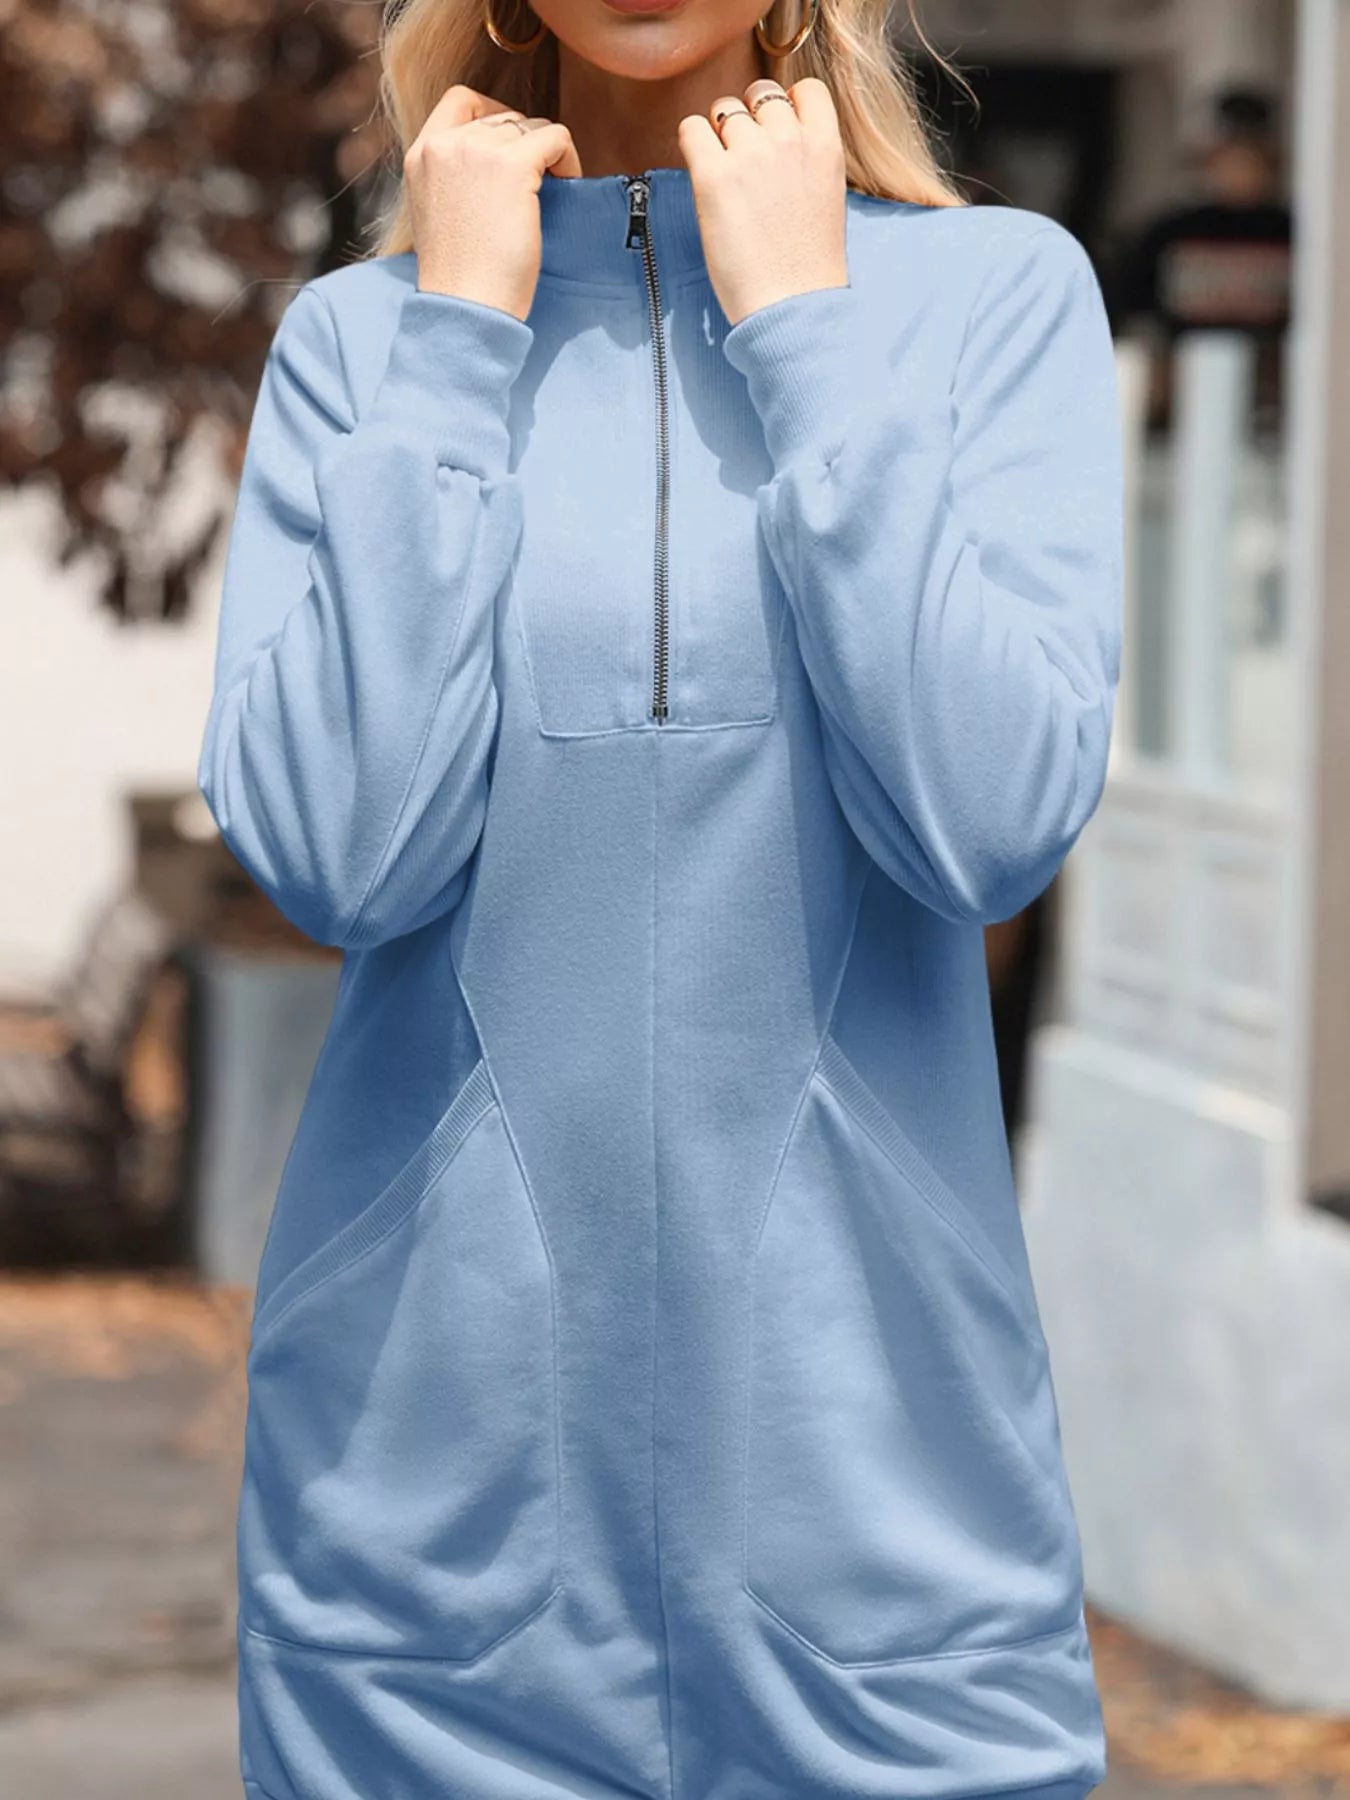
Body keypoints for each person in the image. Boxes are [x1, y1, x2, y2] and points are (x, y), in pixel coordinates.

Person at [196, 2, 1123, 1796]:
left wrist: (805, 329)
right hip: (422, 1568)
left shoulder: (994, 299)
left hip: (887, 1550)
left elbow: (989, 819)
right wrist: (463, 333)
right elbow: (334, 852)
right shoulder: (364, 342)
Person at [1111, 82, 1293, 431]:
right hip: (1186, 392)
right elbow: (1135, 312)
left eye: (1251, 158)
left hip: (1272, 396)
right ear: (1208, 159)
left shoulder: (1292, 231)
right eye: (1230, 157)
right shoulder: (1171, 231)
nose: (1239, 170)